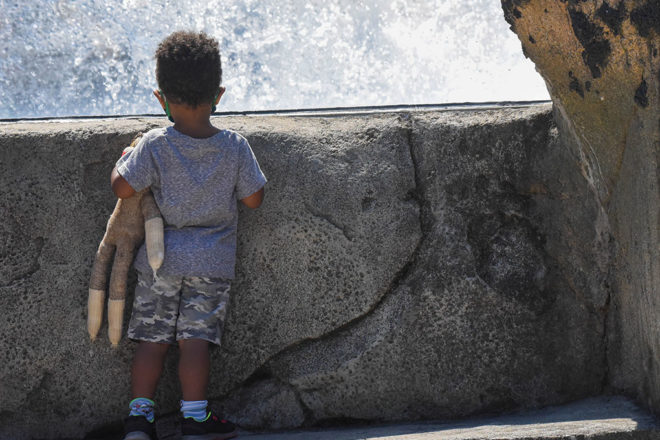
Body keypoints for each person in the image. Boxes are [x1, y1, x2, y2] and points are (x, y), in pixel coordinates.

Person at [112, 31, 266, 440]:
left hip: (160, 261)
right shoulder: (235, 146)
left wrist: (126, 157)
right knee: (194, 341)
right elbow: (254, 199)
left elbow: (122, 188)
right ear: (219, 94)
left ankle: (139, 418)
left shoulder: (154, 144)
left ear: (160, 98)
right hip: (211, 264)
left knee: (151, 340)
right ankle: (195, 416)